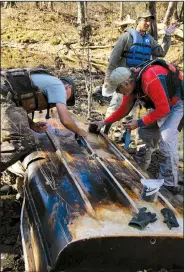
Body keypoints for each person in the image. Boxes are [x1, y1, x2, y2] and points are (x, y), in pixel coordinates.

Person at [91, 60, 183, 195]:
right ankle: (140, 170)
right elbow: (124, 109)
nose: (119, 92)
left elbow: (163, 109)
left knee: (166, 139)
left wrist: (139, 122)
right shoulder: (133, 84)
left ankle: (170, 184)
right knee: (146, 132)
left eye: (118, 89)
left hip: (178, 103)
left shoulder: (150, 79)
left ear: (126, 84)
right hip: (163, 104)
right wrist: (104, 122)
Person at [102, 11, 177, 135]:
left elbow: (161, 52)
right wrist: (107, 79)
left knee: (132, 112)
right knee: (115, 107)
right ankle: (105, 132)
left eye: (149, 21)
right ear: (138, 21)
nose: (148, 23)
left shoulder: (150, 40)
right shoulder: (126, 37)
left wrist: (167, 36)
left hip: (139, 83)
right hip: (123, 81)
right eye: (145, 20)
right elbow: (113, 59)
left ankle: (123, 138)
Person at [0, 68, 87, 173]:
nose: (65, 101)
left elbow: (17, 107)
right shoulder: (59, 86)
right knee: (21, 142)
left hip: (4, 93)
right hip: (3, 93)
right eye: (69, 98)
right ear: (69, 87)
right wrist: (79, 131)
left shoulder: (47, 82)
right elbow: (66, 120)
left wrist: (32, 124)